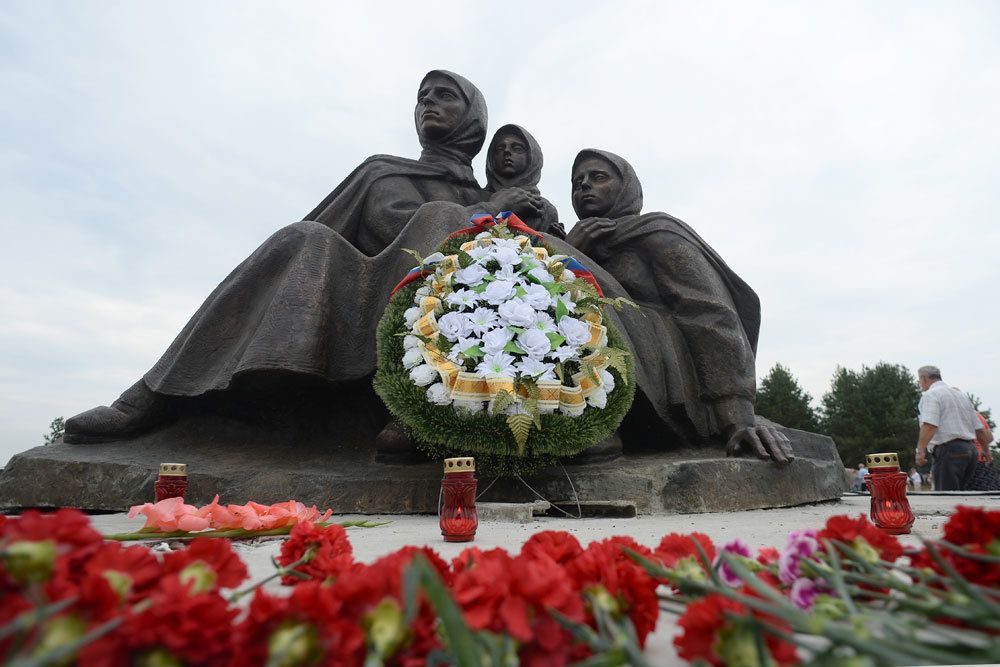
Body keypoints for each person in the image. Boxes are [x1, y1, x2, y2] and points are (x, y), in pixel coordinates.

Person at [65, 70, 539, 444]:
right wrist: (484, 210)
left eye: (444, 95)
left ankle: (425, 403)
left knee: (447, 218)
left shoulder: (494, 193)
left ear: (473, 116)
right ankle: (148, 398)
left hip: (461, 313)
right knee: (303, 238)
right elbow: (394, 229)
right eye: (423, 96)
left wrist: (499, 209)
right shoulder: (384, 171)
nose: (429, 103)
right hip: (370, 294)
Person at [563, 149, 792, 463]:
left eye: (598, 177)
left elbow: (708, 312)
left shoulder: (657, 231)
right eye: (578, 182)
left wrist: (736, 415)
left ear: (626, 186)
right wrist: (571, 253)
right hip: (614, 369)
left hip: (671, 377)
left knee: (595, 305)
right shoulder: (571, 243)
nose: (585, 186)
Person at [914, 365, 990, 490]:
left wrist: (920, 451)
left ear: (923, 379)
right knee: (962, 496)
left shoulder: (931, 395)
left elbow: (929, 425)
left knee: (947, 498)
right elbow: (980, 429)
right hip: (970, 451)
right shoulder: (961, 396)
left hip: (950, 450)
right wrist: (986, 450)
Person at [483, 124, 564, 238]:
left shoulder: (544, 209)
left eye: (517, 148)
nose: (507, 151)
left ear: (532, 157)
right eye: (500, 149)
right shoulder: (475, 196)